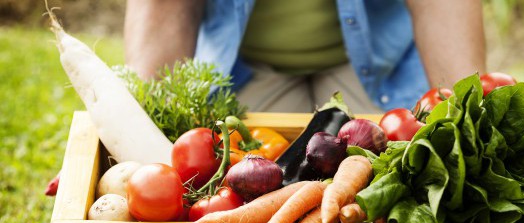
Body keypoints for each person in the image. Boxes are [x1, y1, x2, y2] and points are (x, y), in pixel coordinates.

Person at [124, 0, 486, 113]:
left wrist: (470, 119)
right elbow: (166, 7)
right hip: (243, 66)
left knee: (396, 181)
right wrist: (140, 122)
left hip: (378, 62)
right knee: (244, 187)